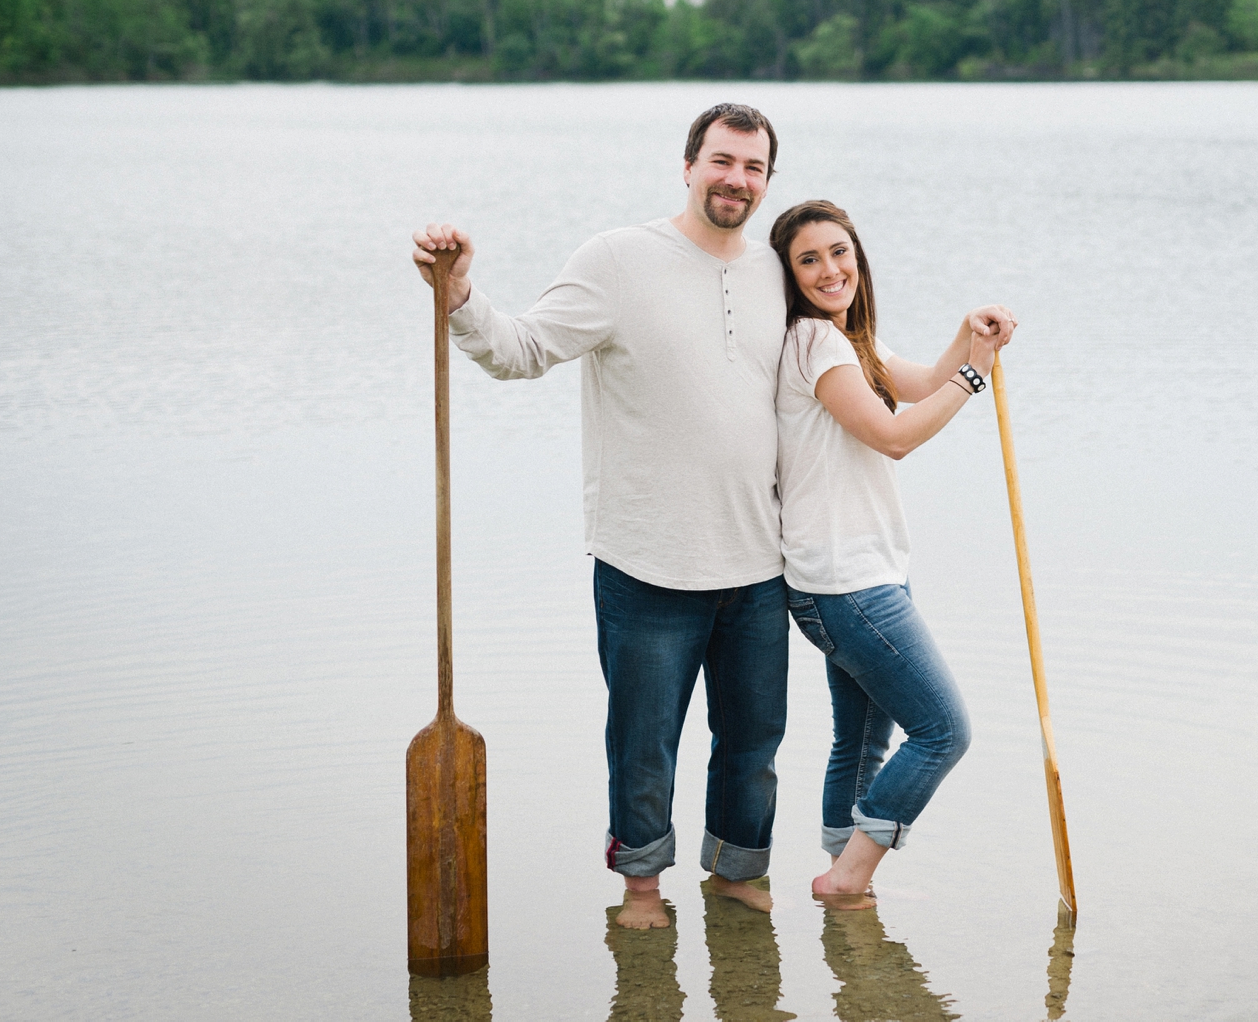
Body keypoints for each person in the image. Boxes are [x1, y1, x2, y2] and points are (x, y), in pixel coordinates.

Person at [410, 103, 791, 930]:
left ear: (768, 181)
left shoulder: (775, 273)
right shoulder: (619, 259)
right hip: (646, 566)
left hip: (760, 569)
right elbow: (521, 351)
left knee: (754, 750)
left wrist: (959, 367)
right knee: (642, 748)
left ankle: (736, 880)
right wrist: (461, 293)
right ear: (688, 165)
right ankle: (643, 890)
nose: (737, 179)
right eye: (722, 161)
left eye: (754, 167)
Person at [767, 199, 1016, 909]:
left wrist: (971, 342)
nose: (829, 269)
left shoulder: (849, 344)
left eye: (839, 251)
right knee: (942, 730)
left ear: (858, 257)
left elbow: (917, 383)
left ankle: (838, 878)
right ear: (789, 274)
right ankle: (849, 876)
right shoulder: (816, 343)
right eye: (808, 258)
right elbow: (895, 433)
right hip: (845, 584)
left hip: (864, 573)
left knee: (863, 738)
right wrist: (974, 380)